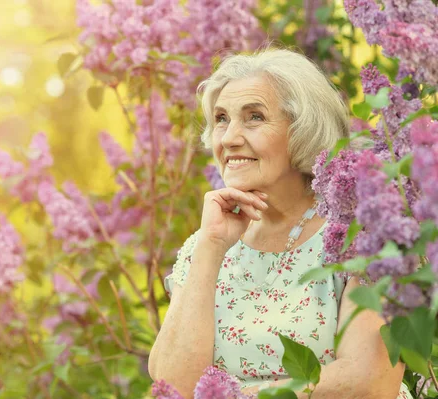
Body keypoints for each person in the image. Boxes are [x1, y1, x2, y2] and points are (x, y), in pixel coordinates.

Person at [148, 48, 412, 399]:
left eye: (254, 117)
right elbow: (173, 386)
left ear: (303, 129)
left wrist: (235, 395)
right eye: (222, 119)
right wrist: (212, 245)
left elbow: (369, 382)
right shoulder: (203, 246)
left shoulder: (361, 234)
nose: (228, 138)